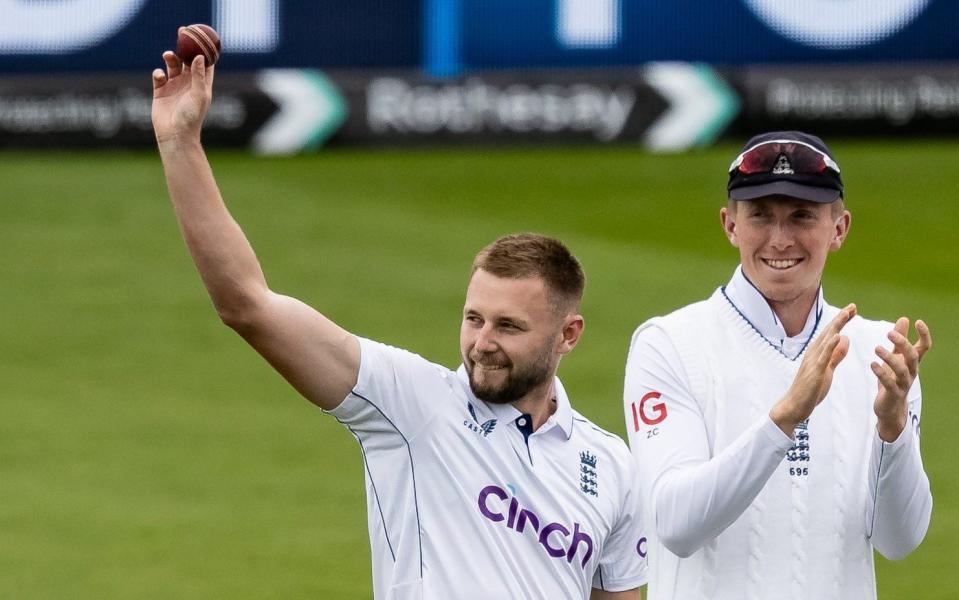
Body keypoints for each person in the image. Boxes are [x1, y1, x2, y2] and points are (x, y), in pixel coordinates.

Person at [151, 52, 647, 599]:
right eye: (473, 318)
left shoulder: (611, 465)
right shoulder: (413, 404)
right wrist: (180, 145)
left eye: (508, 326)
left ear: (568, 335)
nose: (481, 344)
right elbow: (246, 304)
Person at [623, 131, 932, 600]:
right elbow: (675, 524)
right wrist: (785, 416)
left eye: (802, 216)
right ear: (730, 225)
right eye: (761, 216)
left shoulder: (880, 351)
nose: (780, 239)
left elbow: (900, 539)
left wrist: (894, 430)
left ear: (839, 229)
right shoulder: (668, 343)